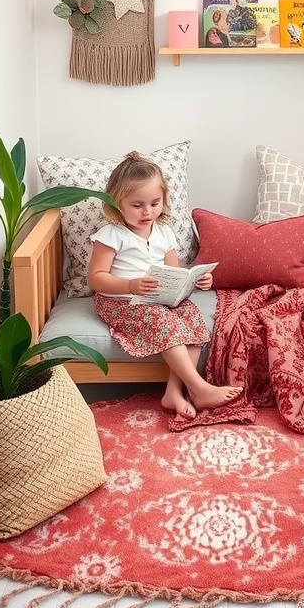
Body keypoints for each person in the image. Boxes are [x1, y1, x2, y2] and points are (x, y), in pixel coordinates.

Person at [87, 151, 242, 419]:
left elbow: (174, 273)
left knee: (192, 319)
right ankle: (199, 387)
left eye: (155, 203)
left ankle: (173, 392)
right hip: (120, 300)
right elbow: (96, 277)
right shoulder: (111, 235)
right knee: (164, 321)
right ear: (116, 203)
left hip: (158, 297)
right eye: (137, 206)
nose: (148, 212)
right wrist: (131, 286)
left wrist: (196, 281)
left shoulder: (164, 232)